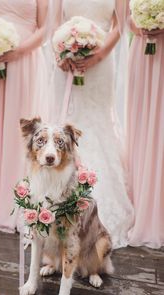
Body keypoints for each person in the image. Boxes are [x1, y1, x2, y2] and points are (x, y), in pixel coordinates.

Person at [52, 0, 134, 249]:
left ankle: (100, 206)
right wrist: (61, 55)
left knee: (96, 124)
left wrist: (98, 55)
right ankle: (61, 202)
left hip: (101, 63)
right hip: (66, 65)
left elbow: (120, 25)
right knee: (69, 124)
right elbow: (55, 25)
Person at [0, 0, 49, 230]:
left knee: (21, 132)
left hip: (24, 60)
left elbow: (45, 28)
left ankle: (19, 206)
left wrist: (19, 51)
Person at [127, 15, 164, 249]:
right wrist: (142, 28)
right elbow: (126, 19)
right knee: (141, 127)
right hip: (142, 52)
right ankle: (143, 207)